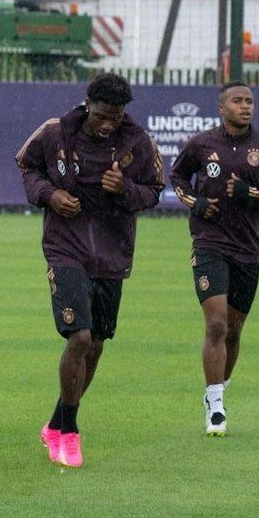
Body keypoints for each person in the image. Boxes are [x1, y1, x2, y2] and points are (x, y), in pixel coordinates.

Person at [15, 72, 164, 467]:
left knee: (96, 344)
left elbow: (154, 191)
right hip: (65, 248)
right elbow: (28, 168)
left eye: (115, 117)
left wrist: (125, 190)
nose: (107, 124)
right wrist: (51, 195)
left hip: (113, 254)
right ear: (87, 104)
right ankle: (69, 432)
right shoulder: (54, 132)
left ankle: (55, 422)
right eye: (101, 115)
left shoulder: (138, 142)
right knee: (79, 337)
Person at [170, 82, 259, 437]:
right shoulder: (202, 145)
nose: (245, 106)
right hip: (209, 243)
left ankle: (219, 389)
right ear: (222, 107)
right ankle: (216, 405)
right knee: (217, 325)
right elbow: (177, 178)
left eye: (250, 101)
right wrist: (197, 202)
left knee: (234, 331)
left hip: (248, 250)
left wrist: (248, 193)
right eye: (238, 101)